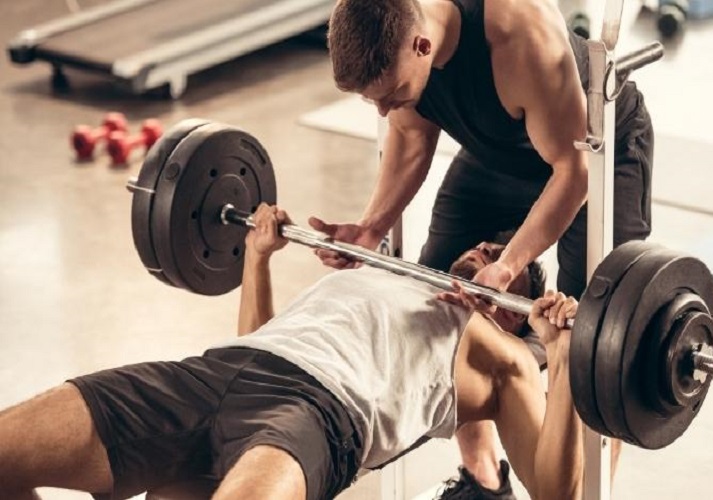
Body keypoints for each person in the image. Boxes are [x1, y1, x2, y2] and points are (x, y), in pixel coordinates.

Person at [0, 204, 584, 500]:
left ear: (512, 310)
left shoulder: (502, 356)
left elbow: (559, 492)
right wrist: (258, 257)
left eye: (501, 259)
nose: (485, 250)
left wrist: (560, 356)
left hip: (318, 415)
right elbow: (265, 337)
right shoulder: (383, 272)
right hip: (217, 371)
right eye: (485, 244)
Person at [315, 0, 649, 494]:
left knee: (593, 338)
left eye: (390, 95)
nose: (383, 111)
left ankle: (584, 490)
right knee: (433, 303)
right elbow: (409, 138)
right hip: (498, 151)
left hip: (595, 157)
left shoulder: (518, 34)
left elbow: (573, 173)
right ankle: (485, 479)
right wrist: (370, 228)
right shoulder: (406, 47)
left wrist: (510, 262)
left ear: (422, 46)